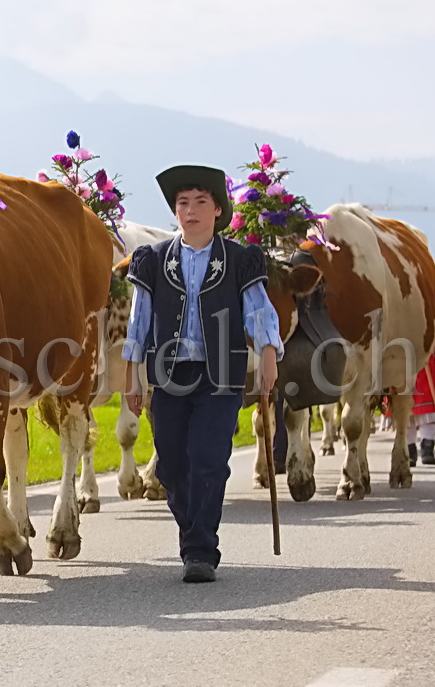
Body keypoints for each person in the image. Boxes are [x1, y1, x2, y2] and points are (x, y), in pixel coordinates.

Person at [122, 165, 283, 584]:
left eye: (199, 203)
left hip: (221, 375)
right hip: (168, 375)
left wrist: (268, 353)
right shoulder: (153, 260)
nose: (189, 211)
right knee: (172, 467)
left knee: (209, 460)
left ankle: (199, 550)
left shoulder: (240, 260)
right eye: (182, 203)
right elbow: (138, 323)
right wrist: (130, 375)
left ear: (217, 210)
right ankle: (192, 530)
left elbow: (259, 309)